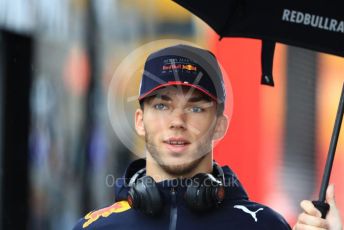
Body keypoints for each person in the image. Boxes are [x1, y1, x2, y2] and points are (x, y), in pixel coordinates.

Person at [73, 44, 341, 230]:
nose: (177, 121)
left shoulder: (265, 226)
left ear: (219, 126)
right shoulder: (96, 227)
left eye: (195, 108)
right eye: (162, 105)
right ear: (140, 122)